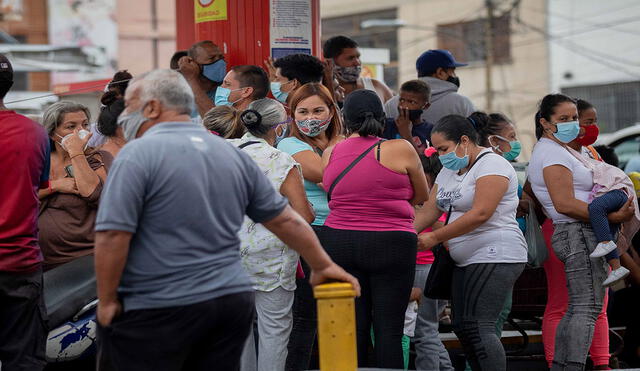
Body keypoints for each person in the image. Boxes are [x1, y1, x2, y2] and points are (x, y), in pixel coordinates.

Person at [94, 69, 359, 371]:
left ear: (152, 107)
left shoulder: (137, 155)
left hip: (164, 301)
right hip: (227, 301)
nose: (125, 114)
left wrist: (107, 300)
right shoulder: (228, 153)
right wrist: (322, 264)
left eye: (130, 105)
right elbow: (285, 220)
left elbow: (113, 236)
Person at [317, 89, 428, 368]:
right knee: (388, 328)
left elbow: (331, 192)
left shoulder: (331, 151)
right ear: (382, 118)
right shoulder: (400, 148)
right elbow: (421, 196)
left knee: (352, 326)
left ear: (344, 119)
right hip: (390, 242)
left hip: (338, 241)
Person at [528, 94, 634, 370]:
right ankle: (571, 365)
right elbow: (563, 203)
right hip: (578, 233)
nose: (572, 123)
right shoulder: (551, 152)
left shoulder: (566, 150)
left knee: (579, 308)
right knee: (587, 308)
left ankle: (565, 365)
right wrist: (612, 215)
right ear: (545, 123)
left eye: (574, 117)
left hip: (578, 233)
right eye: (563, 119)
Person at [414, 114, 527, 371]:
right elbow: (430, 209)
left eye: (443, 148)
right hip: (464, 258)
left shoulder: (493, 165)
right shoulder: (449, 170)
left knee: (480, 326)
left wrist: (435, 237)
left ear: (464, 141)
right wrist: (407, 235)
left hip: (495, 253)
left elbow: (481, 213)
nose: (440, 155)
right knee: (463, 327)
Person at [228, 98, 314, 371]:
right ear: (278, 129)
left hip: (226, 258)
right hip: (271, 260)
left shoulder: (220, 152)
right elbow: (304, 216)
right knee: (274, 331)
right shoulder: (280, 160)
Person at [278, 82, 343, 371]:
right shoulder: (289, 144)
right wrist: (340, 152)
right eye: (302, 112)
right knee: (305, 317)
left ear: (332, 111)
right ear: (292, 115)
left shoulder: (343, 141)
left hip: (344, 232)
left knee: (339, 314)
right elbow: (327, 176)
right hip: (311, 231)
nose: (310, 118)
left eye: (318, 110)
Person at [0, 54, 50, 371]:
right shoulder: (35, 133)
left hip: (21, 264)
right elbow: (37, 185)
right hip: (20, 265)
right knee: (24, 362)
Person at [38, 101, 109, 270]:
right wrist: (55, 186)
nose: (80, 132)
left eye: (85, 125)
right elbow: (22, 196)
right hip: (44, 260)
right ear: (53, 133)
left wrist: (76, 152)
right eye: (71, 126)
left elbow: (93, 194)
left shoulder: (96, 158)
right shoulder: (39, 161)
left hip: (85, 258)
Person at [412, 147, 454, 371]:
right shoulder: (435, 202)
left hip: (424, 268)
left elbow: (440, 232)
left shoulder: (428, 205)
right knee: (428, 330)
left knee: (424, 332)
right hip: (429, 268)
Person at [384, 49, 476, 124]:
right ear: (440, 72)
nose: (454, 75)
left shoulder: (391, 104)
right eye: (452, 71)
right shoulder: (462, 103)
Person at [323, 35, 393, 104]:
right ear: (330, 62)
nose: (357, 63)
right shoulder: (322, 90)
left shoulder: (377, 87)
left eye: (358, 57)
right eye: (350, 58)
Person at [383, 79, 434, 153]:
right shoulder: (386, 125)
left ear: (426, 106)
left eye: (412, 102)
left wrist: (407, 135)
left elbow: (425, 162)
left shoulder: (431, 131)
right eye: (402, 100)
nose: (404, 106)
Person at [178, 40, 226, 117]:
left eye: (221, 57)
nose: (220, 62)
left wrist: (191, 79)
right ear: (193, 64)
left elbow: (216, 120)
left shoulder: (227, 91)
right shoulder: (181, 96)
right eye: (212, 58)